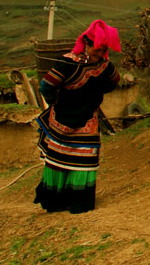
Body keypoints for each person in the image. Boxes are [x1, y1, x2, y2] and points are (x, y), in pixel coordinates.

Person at [34, 19, 122, 213]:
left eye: (103, 50)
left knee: (84, 163)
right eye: (96, 50)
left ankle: (79, 203)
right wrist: (56, 102)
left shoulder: (105, 66)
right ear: (86, 44)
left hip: (87, 120)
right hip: (62, 119)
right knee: (58, 162)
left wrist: (93, 97)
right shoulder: (67, 63)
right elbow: (46, 86)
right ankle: (55, 202)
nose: (100, 54)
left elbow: (114, 81)